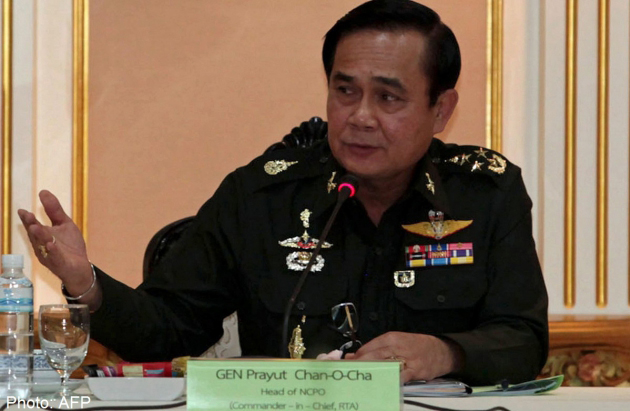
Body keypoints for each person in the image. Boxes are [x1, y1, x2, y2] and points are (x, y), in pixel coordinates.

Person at [18, 0, 548, 386]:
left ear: (441, 109)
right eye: (345, 91)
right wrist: (86, 285)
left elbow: (523, 339)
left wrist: (445, 353)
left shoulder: (486, 193)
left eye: (388, 98)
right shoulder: (261, 197)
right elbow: (168, 331)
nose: (360, 117)